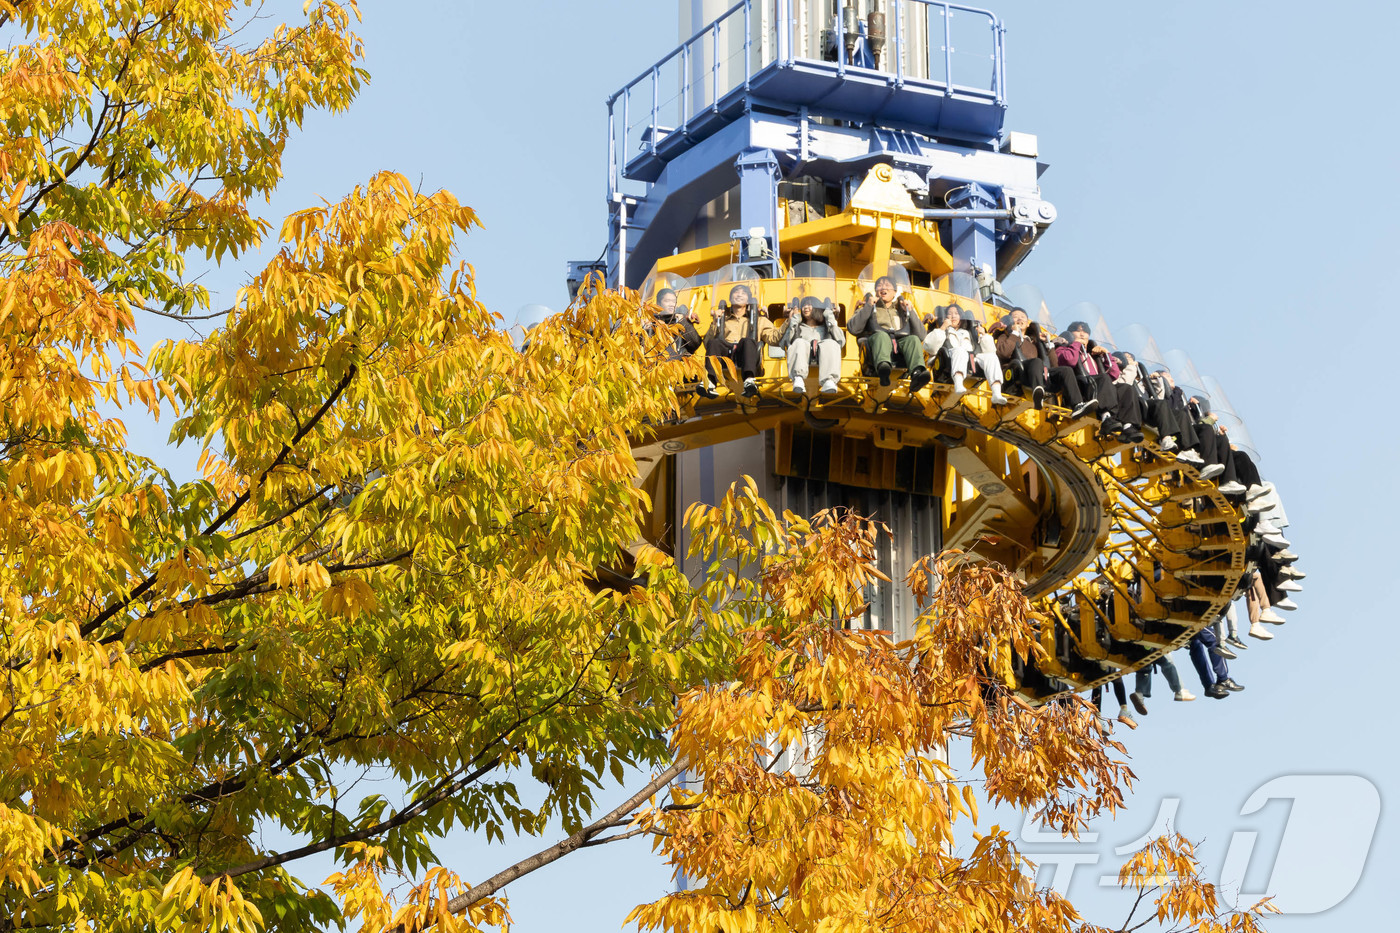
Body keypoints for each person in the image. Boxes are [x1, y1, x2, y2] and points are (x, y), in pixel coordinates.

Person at [991, 308, 1095, 417]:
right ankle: (1037, 391)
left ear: (1027, 324)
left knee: (1066, 370)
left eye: (1023, 317)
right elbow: (1003, 353)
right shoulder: (1006, 336)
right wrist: (1014, 334)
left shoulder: (1034, 343)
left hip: (1038, 374)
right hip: (1017, 373)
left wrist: (1048, 345)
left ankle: (1077, 405)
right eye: (1016, 316)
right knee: (1036, 362)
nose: (1019, 319)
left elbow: (1054, 365)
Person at [1052, 322, 1144, 443]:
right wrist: (1076, 345)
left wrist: (1106, 354)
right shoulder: (1063, 348)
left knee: (1126, 388)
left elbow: (1114, 374)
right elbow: (1070, 361)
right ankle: (1106, 417)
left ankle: (1128, 426)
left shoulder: (1092, 354)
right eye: (1077, 330)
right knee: (1103, 379)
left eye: (1085, 332)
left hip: (1098, 387)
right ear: (1070, 333)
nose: (1082, 334)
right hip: (1080, 387)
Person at [848, 275, 930, 392]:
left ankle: (917, 373)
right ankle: (883, 368)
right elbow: (853, 328)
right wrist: (868, 307)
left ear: (894, 292)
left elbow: (921, 335)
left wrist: (909, 311)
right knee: (881, 336)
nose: (883, 288)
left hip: (898, 344)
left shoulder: (900, 310)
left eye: (887, 285)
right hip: (877, 343)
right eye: (879, 286)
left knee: (913, 339)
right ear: (876, 291)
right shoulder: (868, 306)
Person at [702, 283, 780, 397]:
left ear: (748, 300)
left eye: (743, 293)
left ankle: (749, 379)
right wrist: (715, 322)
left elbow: (774, 338)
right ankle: (710, 381)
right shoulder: (722, 320)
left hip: (747, 356)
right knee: (714, 342)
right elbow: (707, 343)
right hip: (726, 358)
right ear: (730, 298)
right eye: (736, 292)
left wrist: (791, 320)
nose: (739, 295)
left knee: (747, 341)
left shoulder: (759, 320)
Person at [923, 304, 1009, 403]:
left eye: (956, 313)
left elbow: (990, 351)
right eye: (949, 314)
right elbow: (930, 347)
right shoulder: (942, 330)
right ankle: (958, 383)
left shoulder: (968, 333)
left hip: (971, 358)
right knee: (960, 350)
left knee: (991, 357)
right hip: (949, 357)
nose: (953, 316)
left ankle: (996, 392)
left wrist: (983, 335)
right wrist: (943, 327)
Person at [778, 296, 845, 394]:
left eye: (809, 305)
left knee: (831, 343)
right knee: (799, 342)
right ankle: (798, 378)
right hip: (803, 357)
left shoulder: (826, 327)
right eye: (804, 305)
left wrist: (830, 317)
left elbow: (841, 341)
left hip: (822, 357)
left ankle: (829, 380)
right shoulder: (799, 327)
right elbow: (784, 343)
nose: (805, 307)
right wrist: (794, 320)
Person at [650, 287, 702, 358]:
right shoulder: (652, 321)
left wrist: (683, 321)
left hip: (678, 364)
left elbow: (695, 343)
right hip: (656, 364)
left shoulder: (681, 318)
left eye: (674, 301)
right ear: (658, 303)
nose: (671, 304)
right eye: (667, 301)